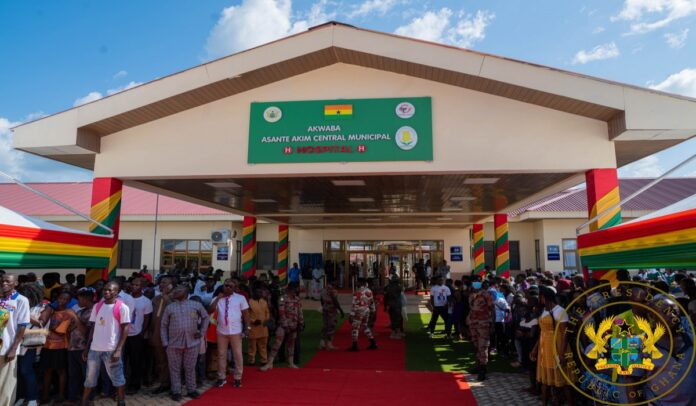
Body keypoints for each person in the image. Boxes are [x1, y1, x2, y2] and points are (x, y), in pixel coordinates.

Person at [82, 281, 131, 406]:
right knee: (90, 378)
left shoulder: (122, 307)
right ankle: (85, 402)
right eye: (105, 289)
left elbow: (126, 327)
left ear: (117, 292)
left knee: (117, 377)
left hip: (111, 348)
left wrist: (119, 349)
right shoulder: (97, 306)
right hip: (95, 349)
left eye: (110, 290)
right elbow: (93, 327)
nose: (106, 292)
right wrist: (87, 348)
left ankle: (121, 401)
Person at [160, 284, 209, 401]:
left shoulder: (196, 305)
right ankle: (176, 391)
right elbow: (163, 325)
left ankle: (191, 389)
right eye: (175, 290)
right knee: (174, 368)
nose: (175, 292)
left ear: (186, 292)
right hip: (173, 344)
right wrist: (165, 342)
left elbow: (206, 317)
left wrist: (201, 332)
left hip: (192, 343)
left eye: (179, 290)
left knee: (190, 367)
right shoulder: (170, 307)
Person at [530, 286, 573, 406]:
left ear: (545, 297)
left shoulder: (560, 311)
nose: (539, 299)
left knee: (564, 381)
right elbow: (542, 332)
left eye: (541, 296)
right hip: (545, 348)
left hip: (558, 346)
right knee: (546, 380)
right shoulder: (544, 310)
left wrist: (562, 354)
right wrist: (535, 349)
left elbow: (565, 334)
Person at [210, 278, 250, 388]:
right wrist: (218, 298)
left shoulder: (240, 298)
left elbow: (246, 314)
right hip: (221, 331)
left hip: (236, 331)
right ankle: (221, 377)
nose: (227, 287)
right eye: (225, 285)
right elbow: (210, 310)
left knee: (237, 355)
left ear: (234, 289)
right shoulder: (217, 298)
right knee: (221, 355)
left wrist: (247, 328)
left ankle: (238, 378)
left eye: (230, 286)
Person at [0, 275, 30, 406]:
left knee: (6, 382)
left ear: (15, 283)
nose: (4, 283)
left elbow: (22, 326)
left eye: (8, 281)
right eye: (2, 281)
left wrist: (13, 348)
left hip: (7, 347)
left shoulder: (21, 300)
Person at [261, 282, 304, 370]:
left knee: (291, 344)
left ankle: (291, 363)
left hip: (294, 325)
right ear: (292, 289)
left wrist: (301, 323)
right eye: (297, 288)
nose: (298, 290)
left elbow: (300, 311)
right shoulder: (282, 298)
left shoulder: (297, 299)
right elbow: (281, 312)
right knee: (277, 343)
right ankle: (270, 363)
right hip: (283, 325)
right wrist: (286, 325)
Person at [40, 290, 73, 403]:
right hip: (48, 345)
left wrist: (48, 327)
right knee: (47, 371)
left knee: (61, 371)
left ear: (69, 301)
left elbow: (60, 330)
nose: (62, 301)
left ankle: (61, 395)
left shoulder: (68, 312)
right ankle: (45, 395)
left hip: (60, 346)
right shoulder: (51, 310)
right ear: (57, 299)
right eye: (60, 298)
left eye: (65, 299)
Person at [16, 283, 44, 406]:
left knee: (26, 371)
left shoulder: (41, 308)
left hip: (30, 345)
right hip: (16, 344)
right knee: (18, 373)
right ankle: (21, 397)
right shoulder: (17, 307)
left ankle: (33, 398)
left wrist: (25, 312)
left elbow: (41, 325)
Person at [124, 277, 152, 395]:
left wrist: (141, 332)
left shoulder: (146, 301)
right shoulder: (125, 298)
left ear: (142, 287)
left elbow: (147, 319)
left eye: (137, 285)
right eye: (133, 284)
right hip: (123, 334)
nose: (134, 287)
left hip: (136, 335)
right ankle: (122, 383)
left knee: (136, 361)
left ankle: (135, 385)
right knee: (123, 361)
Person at [67, 287, 94, 404]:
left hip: (84, 349)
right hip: (72, 348)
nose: (77, 302)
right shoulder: (80, 311)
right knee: (73, 375)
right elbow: (71, 329)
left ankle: (88, 399)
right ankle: (72, 398)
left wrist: (75, 318)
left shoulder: (93, 313)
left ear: (86, 299)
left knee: (86, 376)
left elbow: (86, 332)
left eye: (79, 299)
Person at [149, 276, 173, 394]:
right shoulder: (155, 299)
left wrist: (166, 295)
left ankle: (174, 384)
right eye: (161, 282)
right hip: (156, 335)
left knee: (172, 361)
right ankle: (164, 383)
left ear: (171, 285)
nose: (161, 284)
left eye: (165, 282)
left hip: (170, 336)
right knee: (160, 361)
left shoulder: (175, 298)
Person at [467, 280, 494, 381]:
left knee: (483, 346)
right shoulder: (472, 296)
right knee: (476, 344)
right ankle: (479, 365)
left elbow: (492, 308)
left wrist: (493, 324)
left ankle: (483, 369)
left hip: (483, 323)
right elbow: (471, 309)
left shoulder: (486, 295)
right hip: (473, 323)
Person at [348, 278, 377, 351]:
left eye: (357, 282)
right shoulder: (369, 291)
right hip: (366, 310)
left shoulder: (357, 292)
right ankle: (373, 342)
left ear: (360, 283)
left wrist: (351, 314)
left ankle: (355, 346)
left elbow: (354, 304)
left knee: (355, 328)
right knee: (365, 326)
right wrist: (373, 310)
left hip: (359, 311)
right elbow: (371, 301)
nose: (356, 283)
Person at [247, 286, 270, 365]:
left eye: (261, 292)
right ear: (254, 293)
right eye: (258, 292)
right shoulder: (249, 302)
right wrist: (253, 321)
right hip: (253, 327)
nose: (260, 293)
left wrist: (266, 319)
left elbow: (267, 312)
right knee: (252, 346)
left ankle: (264, 360)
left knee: (263, 345)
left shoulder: (264, 301)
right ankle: (251, 361)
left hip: (263, 327)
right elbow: (246, 315)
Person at [319, 279, 344, 349]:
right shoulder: (333, 291)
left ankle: (322, 342)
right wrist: (340, 310)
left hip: (325, 309)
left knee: (325, 325)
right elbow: (335, 301)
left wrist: (324, 306)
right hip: (332, 310)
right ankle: (329, 344)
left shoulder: (323, 290)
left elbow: (321, 299)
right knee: (331, 326)